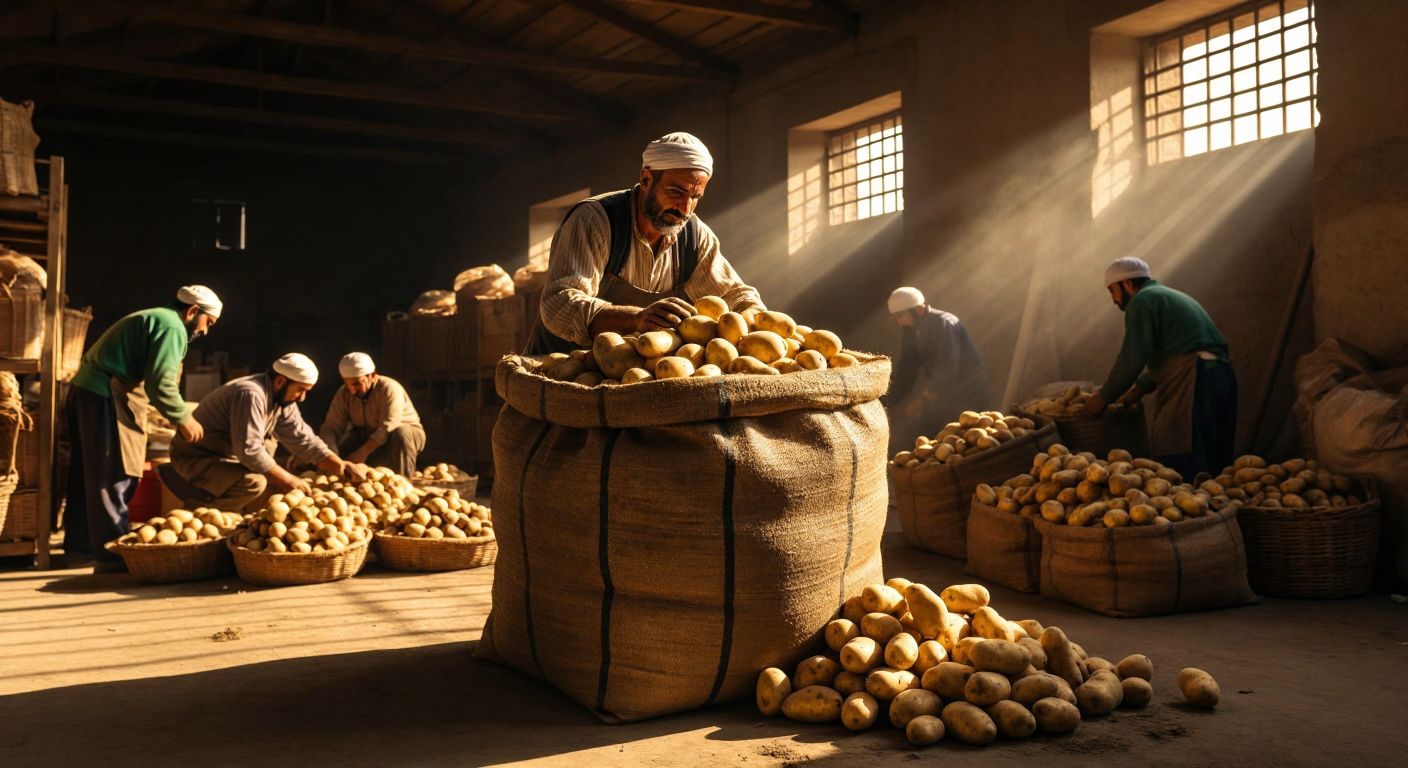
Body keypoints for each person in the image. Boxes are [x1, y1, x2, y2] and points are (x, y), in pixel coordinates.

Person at [528, 131, 765, 353]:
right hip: (562, 374)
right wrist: (636, 319)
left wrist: (757, 318)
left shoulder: (695, 236)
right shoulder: (597, 220)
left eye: (695, 197)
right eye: (675, 191)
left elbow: (735, 294)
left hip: (630, 383)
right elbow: (559, 303)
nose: (685, 208)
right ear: (646, 178)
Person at [65, 285, 222, 573]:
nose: (206, 331)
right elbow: (160, 383)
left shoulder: (156, 317)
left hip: (85, 391)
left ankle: (80, 547)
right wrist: (183, 419)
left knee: (87, 473)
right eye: (208, 323)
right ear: (192, 311)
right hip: (104, 394)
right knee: (114, 472)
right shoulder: (172, 327)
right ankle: (112, 556)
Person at [1084, 257, 1237, 478]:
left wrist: (1102, 398)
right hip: (1219, 376)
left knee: (1182, 459)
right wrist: (1140, 388)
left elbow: (1132, 358)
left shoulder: (1142, 301)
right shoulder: (1167, 296)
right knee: (1216, 464)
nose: (1114, 299)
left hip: (1196, 380)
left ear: (1127, 284)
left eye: (1112, 291)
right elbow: (1175, 352)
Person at [166, 353, 364, 511]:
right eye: (300, 390)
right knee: (255, 483)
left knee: (271, 475)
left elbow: (303, 439)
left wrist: (338, 464)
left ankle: (234, 514)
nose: (302, 398)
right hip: (195, 459)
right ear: (280, 381)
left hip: (225, 457)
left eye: (307, 392)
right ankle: (206, 517)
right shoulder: (250, 394)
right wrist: (290, 481)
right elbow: (249, 451)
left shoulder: (281, 401)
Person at [883, 286, 989, 452]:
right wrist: (887, 400)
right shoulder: (910, 330)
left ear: (919, 309)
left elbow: (949, 367)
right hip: (943, 392)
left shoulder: (943, 323)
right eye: (895, 317)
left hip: (967, 392)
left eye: (901, 315)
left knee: (970, 442)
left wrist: (925, 397)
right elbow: (907, 369)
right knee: (944, 443)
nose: (899, 321)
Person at [319, 352, 425, 476]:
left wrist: (362, 453)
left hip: (399, 437)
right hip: (367, 436)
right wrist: (332, 454)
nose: (352, 391)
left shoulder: (389, 388)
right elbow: (330, 427)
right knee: (338, 449)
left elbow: (388, 426)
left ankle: (405, 481)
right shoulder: (344, 393)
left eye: (357, 384)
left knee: (402, 433)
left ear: (373, 376)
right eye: (348, 385)